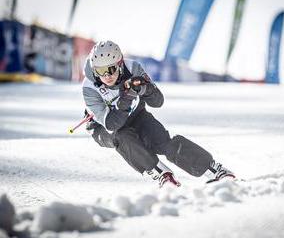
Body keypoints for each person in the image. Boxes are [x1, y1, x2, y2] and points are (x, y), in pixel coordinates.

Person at [82, 40, 235, 187]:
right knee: (123, 138)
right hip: (103, 126)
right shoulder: (89, 88)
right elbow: (112, 124)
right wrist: (127, 97)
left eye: (111, 69)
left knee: (163, 142)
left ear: (120, 64)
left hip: (136, 114)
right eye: (100, 71)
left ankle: (214, 170)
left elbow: (158, 102)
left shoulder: (133, 68)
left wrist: (146, 89)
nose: (106, 76)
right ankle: (161, 174)